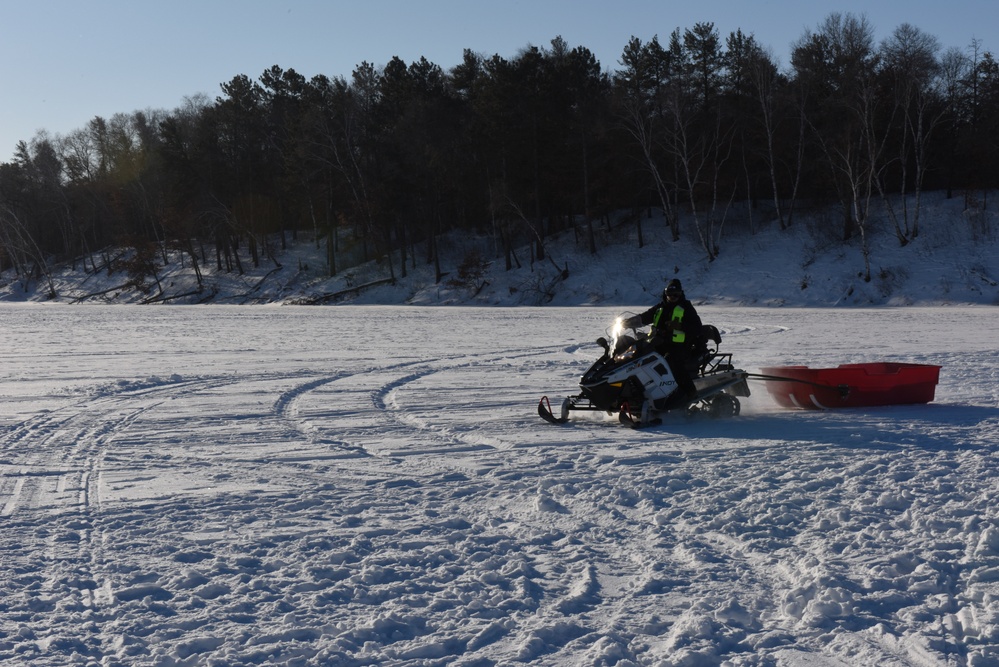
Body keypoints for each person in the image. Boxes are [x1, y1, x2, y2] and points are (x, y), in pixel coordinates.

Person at [624, 278, 702, 407]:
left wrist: (680, 326)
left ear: (681, 293)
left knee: (671, 362)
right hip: (658, 343)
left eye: (675, 294)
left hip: (680, 347)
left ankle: (690, 392)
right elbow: (645, 317)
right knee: (638, 359)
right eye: (669, 294)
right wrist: (629, 322)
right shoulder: (660, 307)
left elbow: (697, 328)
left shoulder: (686, 308)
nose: (672, 297)